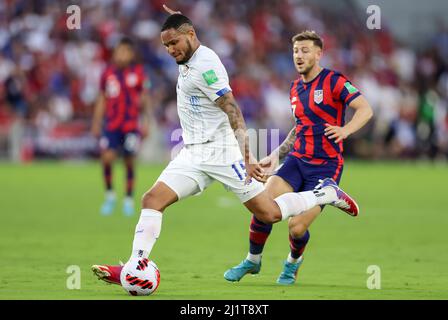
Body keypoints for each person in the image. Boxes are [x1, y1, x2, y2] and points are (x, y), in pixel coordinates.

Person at [91, 8, 359, 285]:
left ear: (190, 35)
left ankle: (325, 194)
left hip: (220, 153)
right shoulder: (190, 50)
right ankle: (134, 266)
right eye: (166, 45)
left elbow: (233, 110)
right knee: (152, 200)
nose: (171, 50)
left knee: (269, 213)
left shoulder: (206, 66)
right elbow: (188, 38)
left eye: (174, 43)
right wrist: (181, 18)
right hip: (192, 153)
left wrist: (247, 157)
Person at [224, 30, 373, 285]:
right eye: (295, 51)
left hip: (325, 168)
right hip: (296, 161)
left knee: (296, 227)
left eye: (304, 50)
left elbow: (365, 109)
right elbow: (299, 128)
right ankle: (253, 260)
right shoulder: (295, 88)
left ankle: (292, 264)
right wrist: (276, 154)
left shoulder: (334, 81)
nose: (299, 56)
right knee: (263, 206)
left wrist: (345, 129)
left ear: (318, 53)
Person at [91, 37, 151, 216]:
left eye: (125, 51)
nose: (122, 55)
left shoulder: (139, 73)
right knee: (107, 158)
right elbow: (102, 98)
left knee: (129, 161)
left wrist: (147, 122)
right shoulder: (107, 74)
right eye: (119, 51)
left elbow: (145, 99)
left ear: (131, 54)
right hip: (112, 125)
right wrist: (96, 121)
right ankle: (110, 195)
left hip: (131, 125)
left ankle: (128, 199)